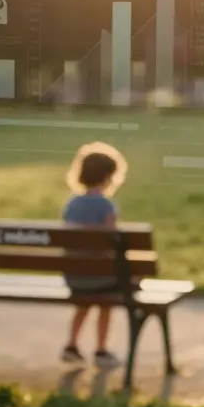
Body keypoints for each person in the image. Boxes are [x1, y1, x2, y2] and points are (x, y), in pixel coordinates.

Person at [59, 141, 128, 369]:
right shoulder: (107, 207)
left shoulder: (72, 204)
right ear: (108, 177)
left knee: (84, 303)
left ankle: (71, 345)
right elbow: (112, 243)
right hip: (102, 279)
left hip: (76, 277)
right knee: (105, 303)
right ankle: (101, 349)